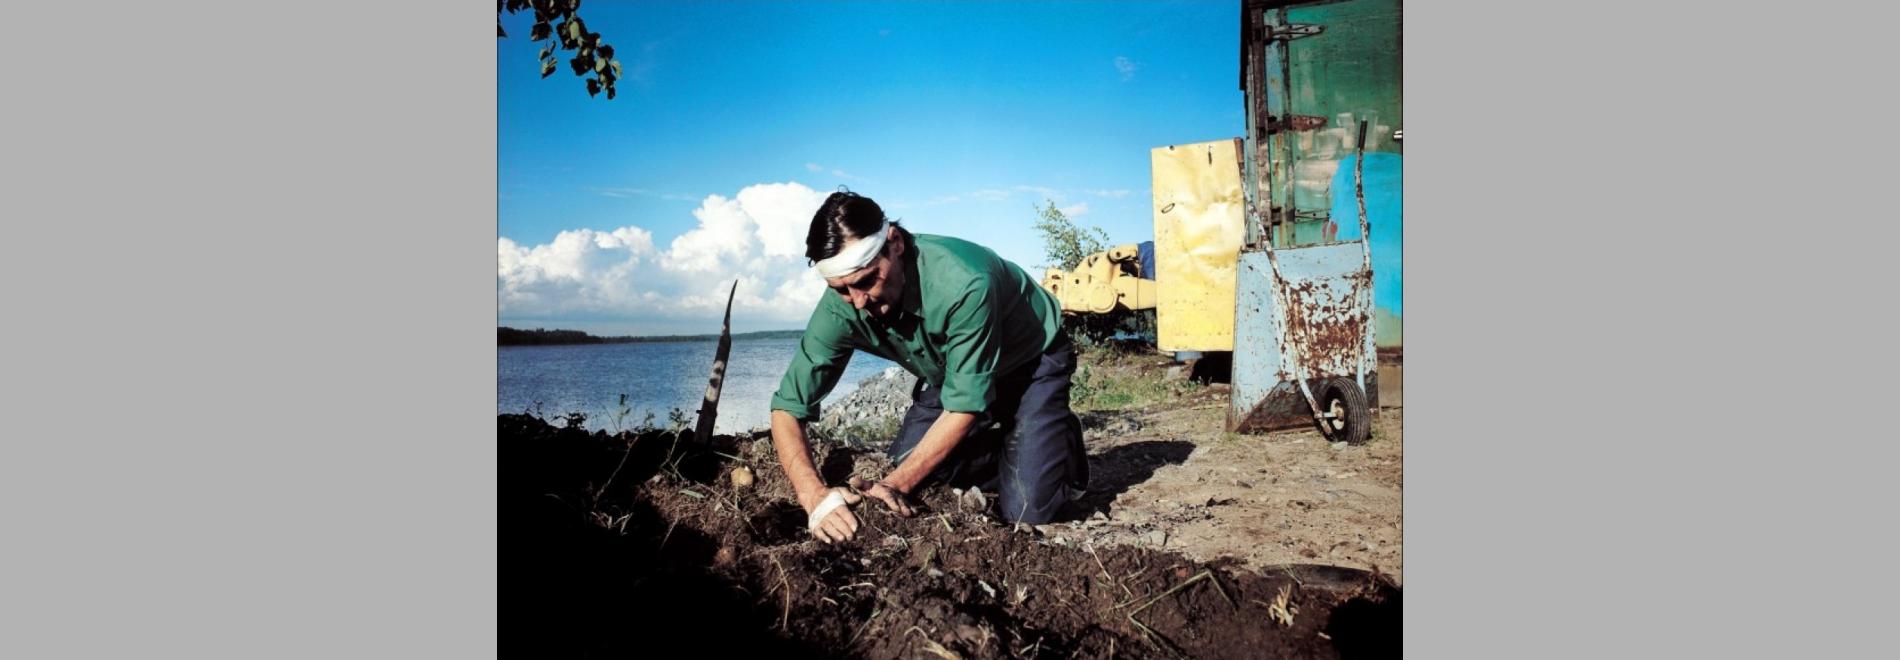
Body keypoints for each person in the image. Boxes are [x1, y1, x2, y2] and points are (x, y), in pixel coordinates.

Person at [768, 191, 1089, 543]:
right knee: (909, 463)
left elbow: (964, 407)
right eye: (841, 289)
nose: (857, 302)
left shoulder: (964, 281)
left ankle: (1060, 444)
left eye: (865, 281)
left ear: (895, 243)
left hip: (1030, 362)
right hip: (956, 372)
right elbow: (787, 408)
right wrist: (813, 496)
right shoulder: (842, 306)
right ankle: (1019, 448)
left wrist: (894, 485)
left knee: (1028, 509)